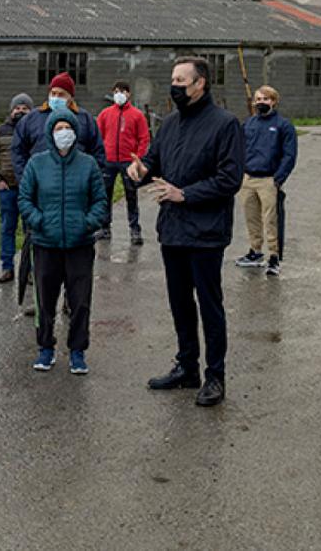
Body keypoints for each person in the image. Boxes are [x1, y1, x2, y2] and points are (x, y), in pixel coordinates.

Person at [129, 57, 243, 407]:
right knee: (179, 302)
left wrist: (186, 194)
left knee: (209, 304)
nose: (174, 85)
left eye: (181, 80)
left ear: (200, 84)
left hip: (206, 230)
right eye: (173, 79)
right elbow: (155, 161)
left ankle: (215, 376)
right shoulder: (171, 124)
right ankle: (187, 366)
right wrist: (141, 171)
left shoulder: (225, 125)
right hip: (173, 230)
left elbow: (230, 179)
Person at [18, 109, 107, 374]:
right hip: (46, 244)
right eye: (58, 129)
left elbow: (100, 200)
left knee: (80, 301)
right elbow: (25, 198)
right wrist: (38, 221)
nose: (63, 133)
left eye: (67, 128)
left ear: (75, 132)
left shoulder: (88, 164)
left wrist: (87, 222)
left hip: (79, 245)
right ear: (50, 132)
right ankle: (46, 348)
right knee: (45, 300)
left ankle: (78, 351)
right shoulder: (37, 164)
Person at [235, 85, 297, 276]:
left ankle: (274, 257)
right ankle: (255, 252)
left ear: (274, 101)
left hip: (269, 180)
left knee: (271, 220)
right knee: (251, 218)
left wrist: (278, 179)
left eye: (266, 99)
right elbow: (239, 148)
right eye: (258, 99)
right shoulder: (248, 124)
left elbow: (289, 155)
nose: (261, 102)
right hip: (248, 179)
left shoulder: (283, 125)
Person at [10, 72, 105, 183]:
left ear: (71, 97)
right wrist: (25, 180)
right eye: (53, 93)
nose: (56, 98)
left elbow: (98, 152)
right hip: (40, 182)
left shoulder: (85, 119)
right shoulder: (31, 119)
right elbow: (18, 151)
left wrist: (90, 181)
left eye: (61, 94)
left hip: (76, 183)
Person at [0, 92, 33, 283]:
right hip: (8, 189)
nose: (20, 111)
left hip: (30, 190)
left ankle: (30, 270)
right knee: (7, 229)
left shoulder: (34, 130)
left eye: (25, 108)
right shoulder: (0, 131)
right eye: (17, 108)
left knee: (31, 231)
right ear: (11, 110)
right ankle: (7, 267)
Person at [95, 80, 150, 245]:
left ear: (128, 94)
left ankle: (134, 229)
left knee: (131, 195)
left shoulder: (137, 115)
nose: (119, 94)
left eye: (122, 91)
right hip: (109, 161)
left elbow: (144, 138)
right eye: (116, 91)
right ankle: (104, 227)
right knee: (105, 195)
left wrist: (137, 158)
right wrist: (102, 155)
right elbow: (99, 135)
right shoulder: (105, 114)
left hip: (128, 162)